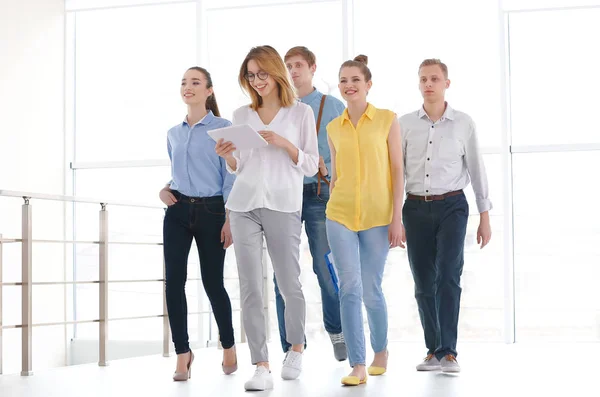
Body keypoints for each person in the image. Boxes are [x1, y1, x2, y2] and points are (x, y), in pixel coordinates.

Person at [215, 45, 319, 391]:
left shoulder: (300, 112)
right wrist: (229, 157)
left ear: (276, 72)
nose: (257, 81)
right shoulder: (241, 114)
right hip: (244, 204)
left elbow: (310, 163)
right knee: (249, 287)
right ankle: (261, 364)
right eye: (250, 75)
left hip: (283, 204)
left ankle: (296, 348)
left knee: (289, 283)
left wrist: (285, 144)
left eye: (262, 73)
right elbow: (240, 166)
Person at [399, 58, 492, 374]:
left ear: (446, 83)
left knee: (449, 276)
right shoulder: (404, 124)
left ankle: (449, 352)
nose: (428, 84)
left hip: (452, 206)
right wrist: (393, 218)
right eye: (423, 79)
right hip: (414, 208)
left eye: (434, 79)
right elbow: (396, 173)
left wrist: (485, 215)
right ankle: (433, 350)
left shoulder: (463, 123)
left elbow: (477, 169)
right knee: (423, 281)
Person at [325, 55, 405, 386]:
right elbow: (335, 175)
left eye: (355, 80)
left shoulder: (388, 119)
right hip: (339, 213)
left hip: (377, 215)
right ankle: (357, 364)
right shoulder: (333, 127)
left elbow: (398, 169)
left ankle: (380, 351)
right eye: (343, 80)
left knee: (370, 288)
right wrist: (331, 200)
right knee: (349, 287)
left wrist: (396, 218)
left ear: (368, 84)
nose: (349, 85)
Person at [266, 46, 347, 361]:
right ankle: (291, 346)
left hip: (319, 194)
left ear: (312, 67)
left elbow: (347, 151)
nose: (292, 70)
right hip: (283, 194)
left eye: (298, 64)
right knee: (282, 274)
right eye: (287, 65)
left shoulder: (331, 106)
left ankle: (337, 331)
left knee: (325, 267)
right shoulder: (276, 108)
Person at [159, 66, 238, 381]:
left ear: (209, 90)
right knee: (173, 283)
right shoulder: (173, 133)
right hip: (177, 211)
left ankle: (229, 345)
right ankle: (183, 353)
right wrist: (165, 188)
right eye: (183, 82)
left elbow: (231, 174)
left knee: (212, 283)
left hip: (213, 211)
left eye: (195, 82)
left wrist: (231, 217)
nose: (187, 87)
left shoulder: (223, 127)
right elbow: (181, 171)